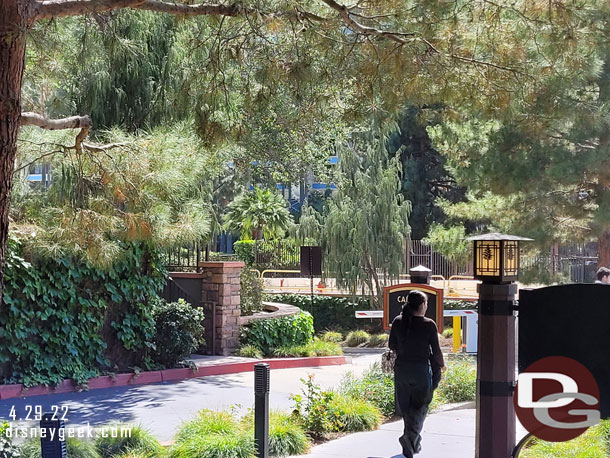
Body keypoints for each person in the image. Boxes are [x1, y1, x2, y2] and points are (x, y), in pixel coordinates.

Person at [389, 290, 444, 458]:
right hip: (420, 370)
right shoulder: (429, 324)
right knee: (420, 407)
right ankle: (410, 438)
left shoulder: (398, 322)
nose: (426, 306)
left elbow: (392, 345)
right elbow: (436, 351)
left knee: (407, 408)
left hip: (402, 370)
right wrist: (442, 365)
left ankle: (412, 443)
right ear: (421, 306)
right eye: (426, 303)